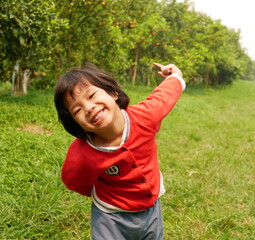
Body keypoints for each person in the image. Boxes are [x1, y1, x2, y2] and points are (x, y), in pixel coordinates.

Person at [54, 62, 186, 240]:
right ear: (75, 124)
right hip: (109, 216)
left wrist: (175, 75)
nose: (89, 107)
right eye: (77, 110)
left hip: (151, 208)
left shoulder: (144, 117)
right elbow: (74, 181)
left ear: (113, 93)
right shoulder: (82, 154)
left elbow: (164, 97)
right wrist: (103, 192)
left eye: (92, 95)